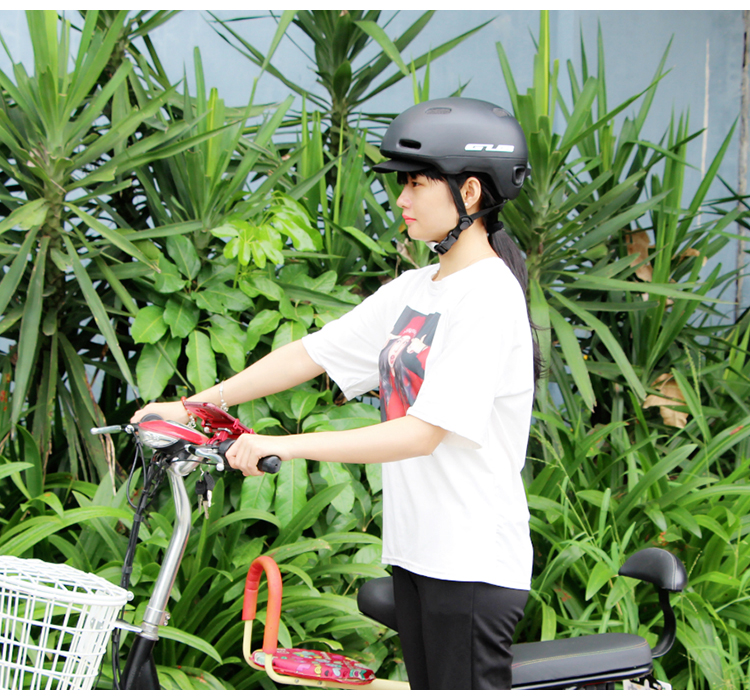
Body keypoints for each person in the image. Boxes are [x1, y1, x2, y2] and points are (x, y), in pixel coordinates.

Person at [131, 97, 539, 690]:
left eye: (416, 183)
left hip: (471, 561)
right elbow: (310, 354)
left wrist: (288, 445)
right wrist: (197, 406)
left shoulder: (489, 298)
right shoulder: (417, 288)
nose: (401, 199)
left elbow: (423, 433)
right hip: (419, 552)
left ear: (469, 192)